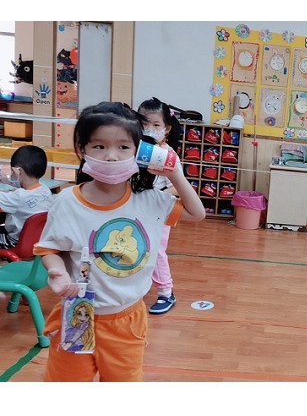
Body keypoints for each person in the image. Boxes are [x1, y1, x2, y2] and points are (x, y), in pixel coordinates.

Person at [34, 102, 206, 382]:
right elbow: (51, 248)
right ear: (82, 149)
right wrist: (57, 270)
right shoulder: (67, 202)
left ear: (139, 152)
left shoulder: (150, 201)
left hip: (126, 319)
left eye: (123, 147)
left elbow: (197, 214)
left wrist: (174, 172)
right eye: (99, 146)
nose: (112, 156)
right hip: (78, 313)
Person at [138, 97, 182, 314]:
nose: (149, 129)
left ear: (166, 129)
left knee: (156, 251)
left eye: (156, 125)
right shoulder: (137, 149)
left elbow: (178, 187)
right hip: (139, 210)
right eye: (144, 123)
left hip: (159, 211)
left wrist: (156, 197)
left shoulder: (168, 155)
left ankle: (166, 292)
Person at [0, 145, 54, 249]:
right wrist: (6, 180)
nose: (11, 174)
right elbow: (24, 187)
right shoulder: (45, 190)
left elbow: (15, 197)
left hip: (14, 242)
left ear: (18, 171)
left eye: (12, 171)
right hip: (35, 241)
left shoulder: (18, 197)